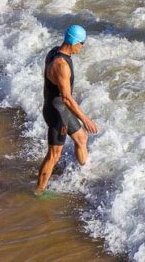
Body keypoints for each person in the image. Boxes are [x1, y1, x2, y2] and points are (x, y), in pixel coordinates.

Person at [35, 25, 99, 194]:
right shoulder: (61, 65)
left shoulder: (54, 52)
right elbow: (66, 98)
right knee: (54, 155)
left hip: (58, 108)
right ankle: (39, 191)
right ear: (75, 42)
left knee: (81, 139)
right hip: (58, 113)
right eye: (82, 44)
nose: (82, 47)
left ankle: (84, 174)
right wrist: (85, 119)